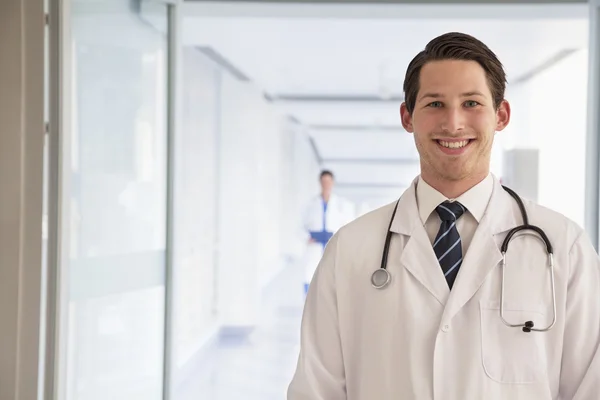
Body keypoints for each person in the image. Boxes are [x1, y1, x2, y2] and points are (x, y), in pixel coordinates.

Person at [287, 32, 600, 399]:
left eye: (471, 103)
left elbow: (590, 385)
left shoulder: (565, 247)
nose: (453, 123)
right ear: (407, 117)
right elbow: (316, 389)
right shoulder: (350, 250)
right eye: (435, 104)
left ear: (501, 115)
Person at [302, 170, 355, 294]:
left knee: (333, 275)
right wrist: (307, 237)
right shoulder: (310, 204)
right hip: (315, 244)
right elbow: (300, 226)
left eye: (328, 181)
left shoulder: (342, 204)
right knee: (310, 275)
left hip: (332, 242)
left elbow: (348, 226)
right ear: (320, 183)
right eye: (323, 181)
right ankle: (310, 305)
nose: (326, 184)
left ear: (332, 183)